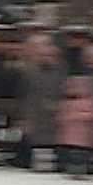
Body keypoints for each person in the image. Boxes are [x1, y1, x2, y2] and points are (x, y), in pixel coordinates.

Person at [13, 35, 67, 172]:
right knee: (32, 135)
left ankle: (58, 161)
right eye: (42, 55)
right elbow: (25, 93)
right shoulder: (31, 72)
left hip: (55, 109)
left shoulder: (62, 72)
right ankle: (25, 159)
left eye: (48, 55)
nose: (45, 57)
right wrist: (23, 114)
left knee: (55, 137)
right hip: (34, 109)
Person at [56, 74, 93, 179]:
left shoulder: (90, 102)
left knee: (81, 153)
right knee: (72, 153)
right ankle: (72, 170)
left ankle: (80, 170)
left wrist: (78, 117)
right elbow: (61, 115)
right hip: (70, 134)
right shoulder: (67, 102)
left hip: (83, 134)